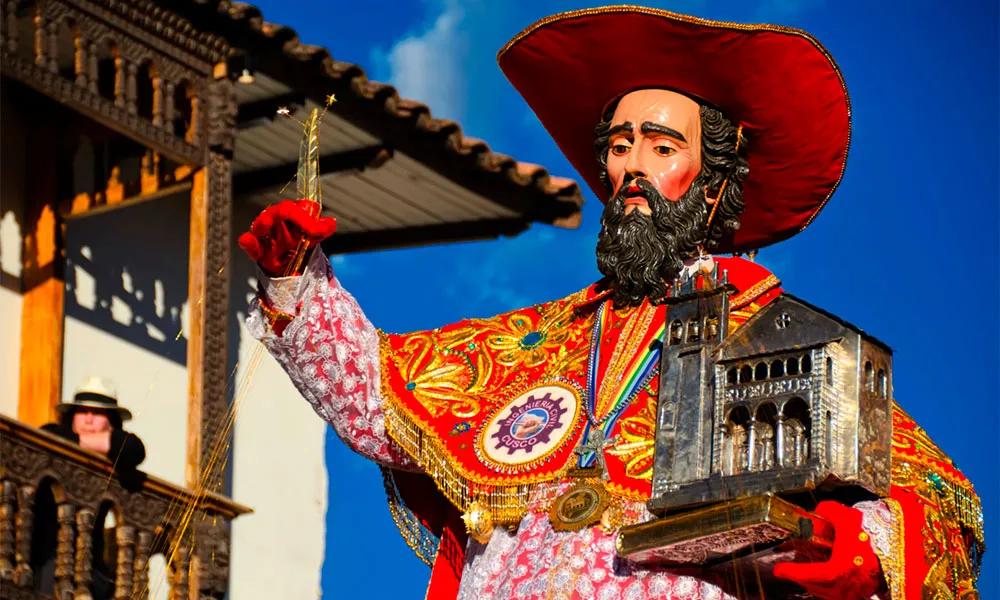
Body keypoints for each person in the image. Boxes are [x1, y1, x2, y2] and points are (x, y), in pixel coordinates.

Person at [239, 7, 983, 600]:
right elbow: (378, 395)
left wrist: (863, 551)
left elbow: (936, 498)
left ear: (715, 183)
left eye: (661, 147)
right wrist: (296, 280)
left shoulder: (786, 339)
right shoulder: (534, 339)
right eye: (620, 146)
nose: (631, 167)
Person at [33, 376, 146, 599]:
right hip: (45, 556)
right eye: (82, 412)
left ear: (111, 422)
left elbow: (134, 449)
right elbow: (51, 436)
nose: (88, 419)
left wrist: (90, 443)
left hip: (91, 568)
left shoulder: (121, 447)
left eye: (97, 413)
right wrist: (97, 444)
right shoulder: (53, 434)